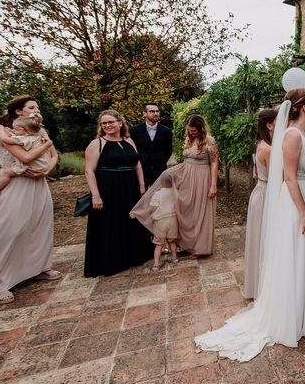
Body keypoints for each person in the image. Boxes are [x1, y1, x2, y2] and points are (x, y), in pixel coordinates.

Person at [194, 88, 305, 361]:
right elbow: (289, 179)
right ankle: (293, 316)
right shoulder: (292, 136)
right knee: (296, 257)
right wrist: (304, 214)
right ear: (303, 107)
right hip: (296, 204)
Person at [0, 95, 60, 305]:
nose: (36, 110)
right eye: (31, 107)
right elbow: (25, 158)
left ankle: (38, 267)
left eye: (37, 107)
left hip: (38, 183)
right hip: (16, 185)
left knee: (40, 226)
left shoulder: (39, 131)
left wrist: (46, 171)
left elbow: (54, 156)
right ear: (18, 112)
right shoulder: (6, 134)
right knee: (9, 230)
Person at [131, 114, 218, 260]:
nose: (191, 133)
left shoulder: (210, 141)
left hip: (203, 178)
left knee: (199, 213)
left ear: (201, 128)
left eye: (194, 131)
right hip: (186, 179)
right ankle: (186, 244)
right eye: (189, 130)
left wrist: (213, 185)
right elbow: (186, 160)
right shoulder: (188, 138)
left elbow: (214, 163)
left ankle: (200, 247)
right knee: (186, 212)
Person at [83, 110, 151, 277]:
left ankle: (134, 256)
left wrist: (141, 186)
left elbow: (137, 165)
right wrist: (95, 195)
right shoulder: (97, 143)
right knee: (111, 223)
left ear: (120, 123)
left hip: (130, 187)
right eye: (104, 123)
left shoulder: (129, 140)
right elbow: (89, 172)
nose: (107, 125)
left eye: (111, 122)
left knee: (130, 220)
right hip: (109, 189)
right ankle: (114, 261)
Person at [243, 107, 278, 299]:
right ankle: (265, 289)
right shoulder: (269, 149)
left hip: (260, 192)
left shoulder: (260, 144)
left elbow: (257, 173)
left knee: (260, 240)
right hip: (266, 196)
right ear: (269, 125)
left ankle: (258, 286)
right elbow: (278, 179)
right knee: (265, 241)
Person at [0, 115, 50, 199]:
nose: (13, 131)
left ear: (27, 132)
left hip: (32, 167)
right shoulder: (36, 137)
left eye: (16, 129)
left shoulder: (24, 139)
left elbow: (6, 139)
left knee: (7, 174)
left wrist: (0, 128)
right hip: (42, 166)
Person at [130, 102, 173, 188]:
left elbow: (168, 150)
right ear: (144, 113)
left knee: (158, 197)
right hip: (141, 170)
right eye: (152, 111)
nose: (156, 114)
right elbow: (132, 150)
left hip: (159, 170)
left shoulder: (166, 131)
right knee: (140, 198)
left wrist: (160, 161)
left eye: (157, 111)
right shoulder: (135, 130)